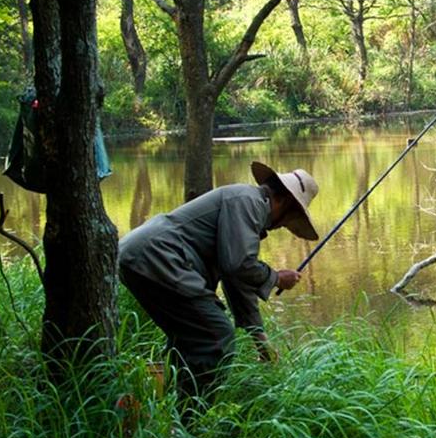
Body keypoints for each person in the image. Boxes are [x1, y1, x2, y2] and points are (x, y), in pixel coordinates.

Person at [118, 161, 319, 418]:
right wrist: (276, 278)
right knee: (216, 336)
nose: (282, 226)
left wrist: (259, 339)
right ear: (284, 202)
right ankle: (189, 424)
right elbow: (239, 265)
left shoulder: (246, 204)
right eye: (290, 219)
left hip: (141, 255)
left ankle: (144, 408)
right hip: (159, 256)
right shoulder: (248, 203)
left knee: (189, 339)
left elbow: (235, 278)